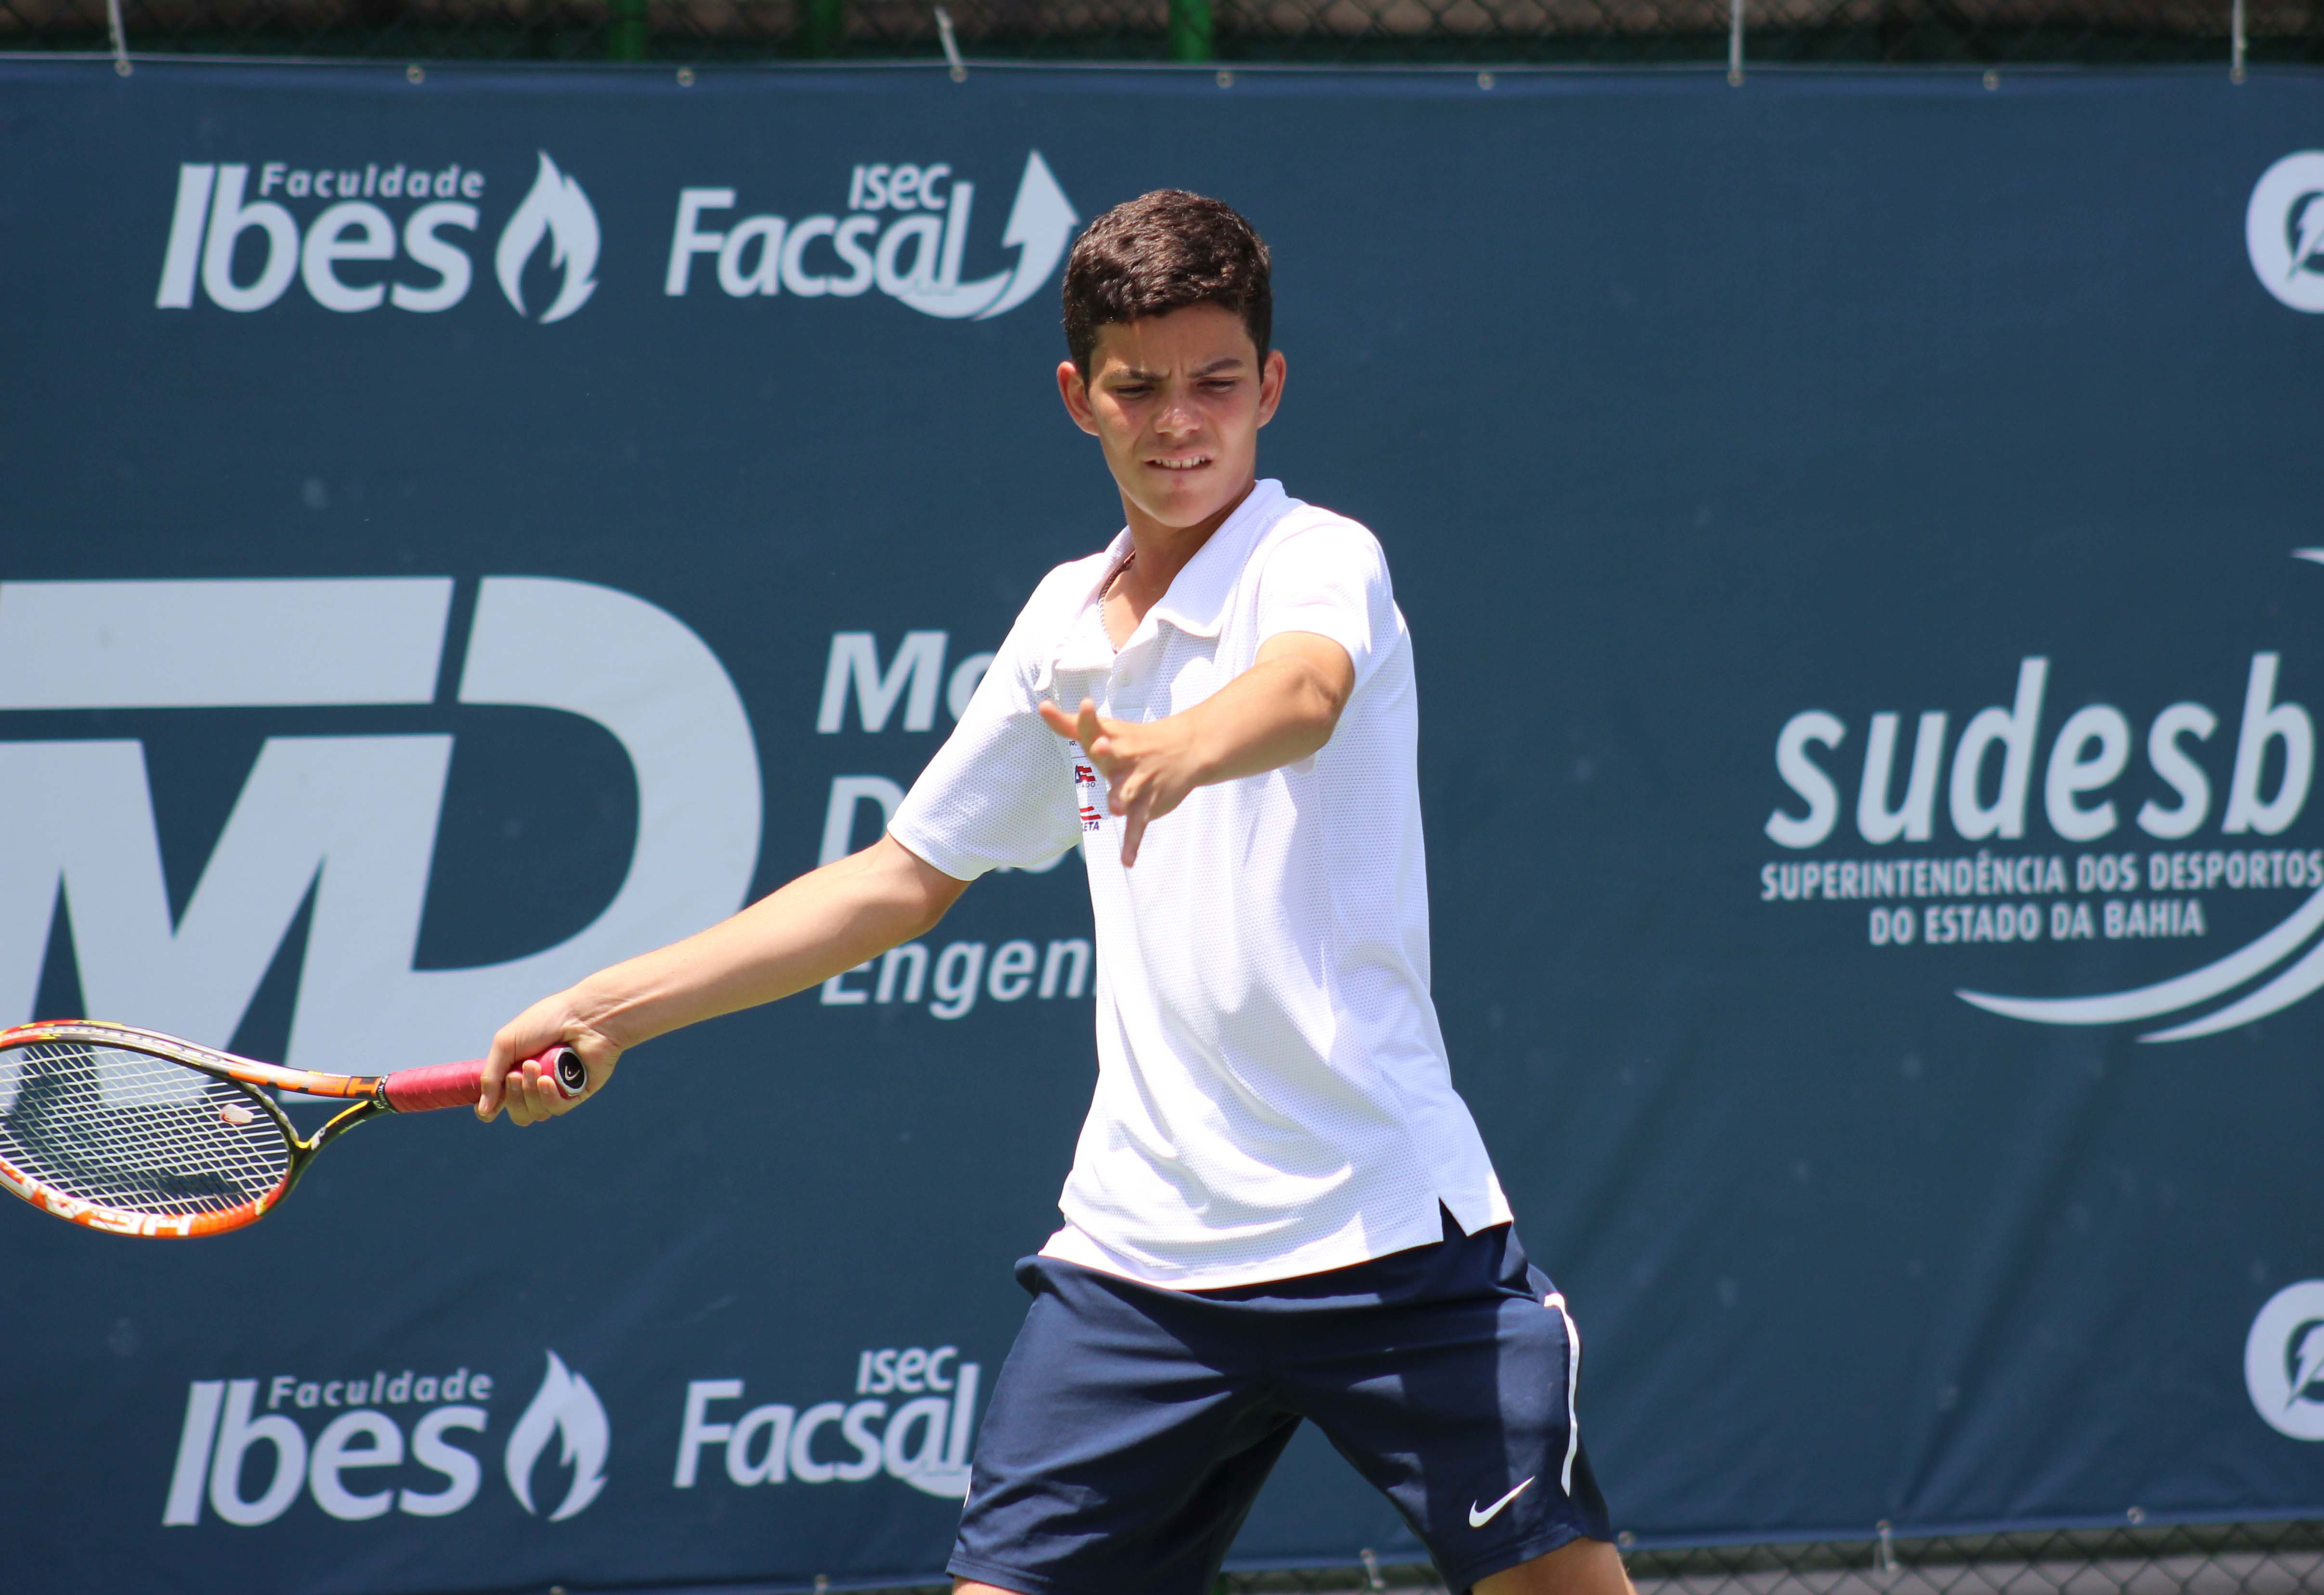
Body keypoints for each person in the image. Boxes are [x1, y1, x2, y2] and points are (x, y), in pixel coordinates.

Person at [478, 189, 1630, 1595]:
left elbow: (1307, 692)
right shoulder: (1062, 627)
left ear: (1270, 387)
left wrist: (1179, 747)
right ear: (1080, 398)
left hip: (1388, 1237)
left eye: (1216, 382)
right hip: (1141, 1268)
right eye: (1138, 389)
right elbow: (897, 882)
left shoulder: (1319, 558)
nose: (1180, 421)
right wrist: (609, 1008)